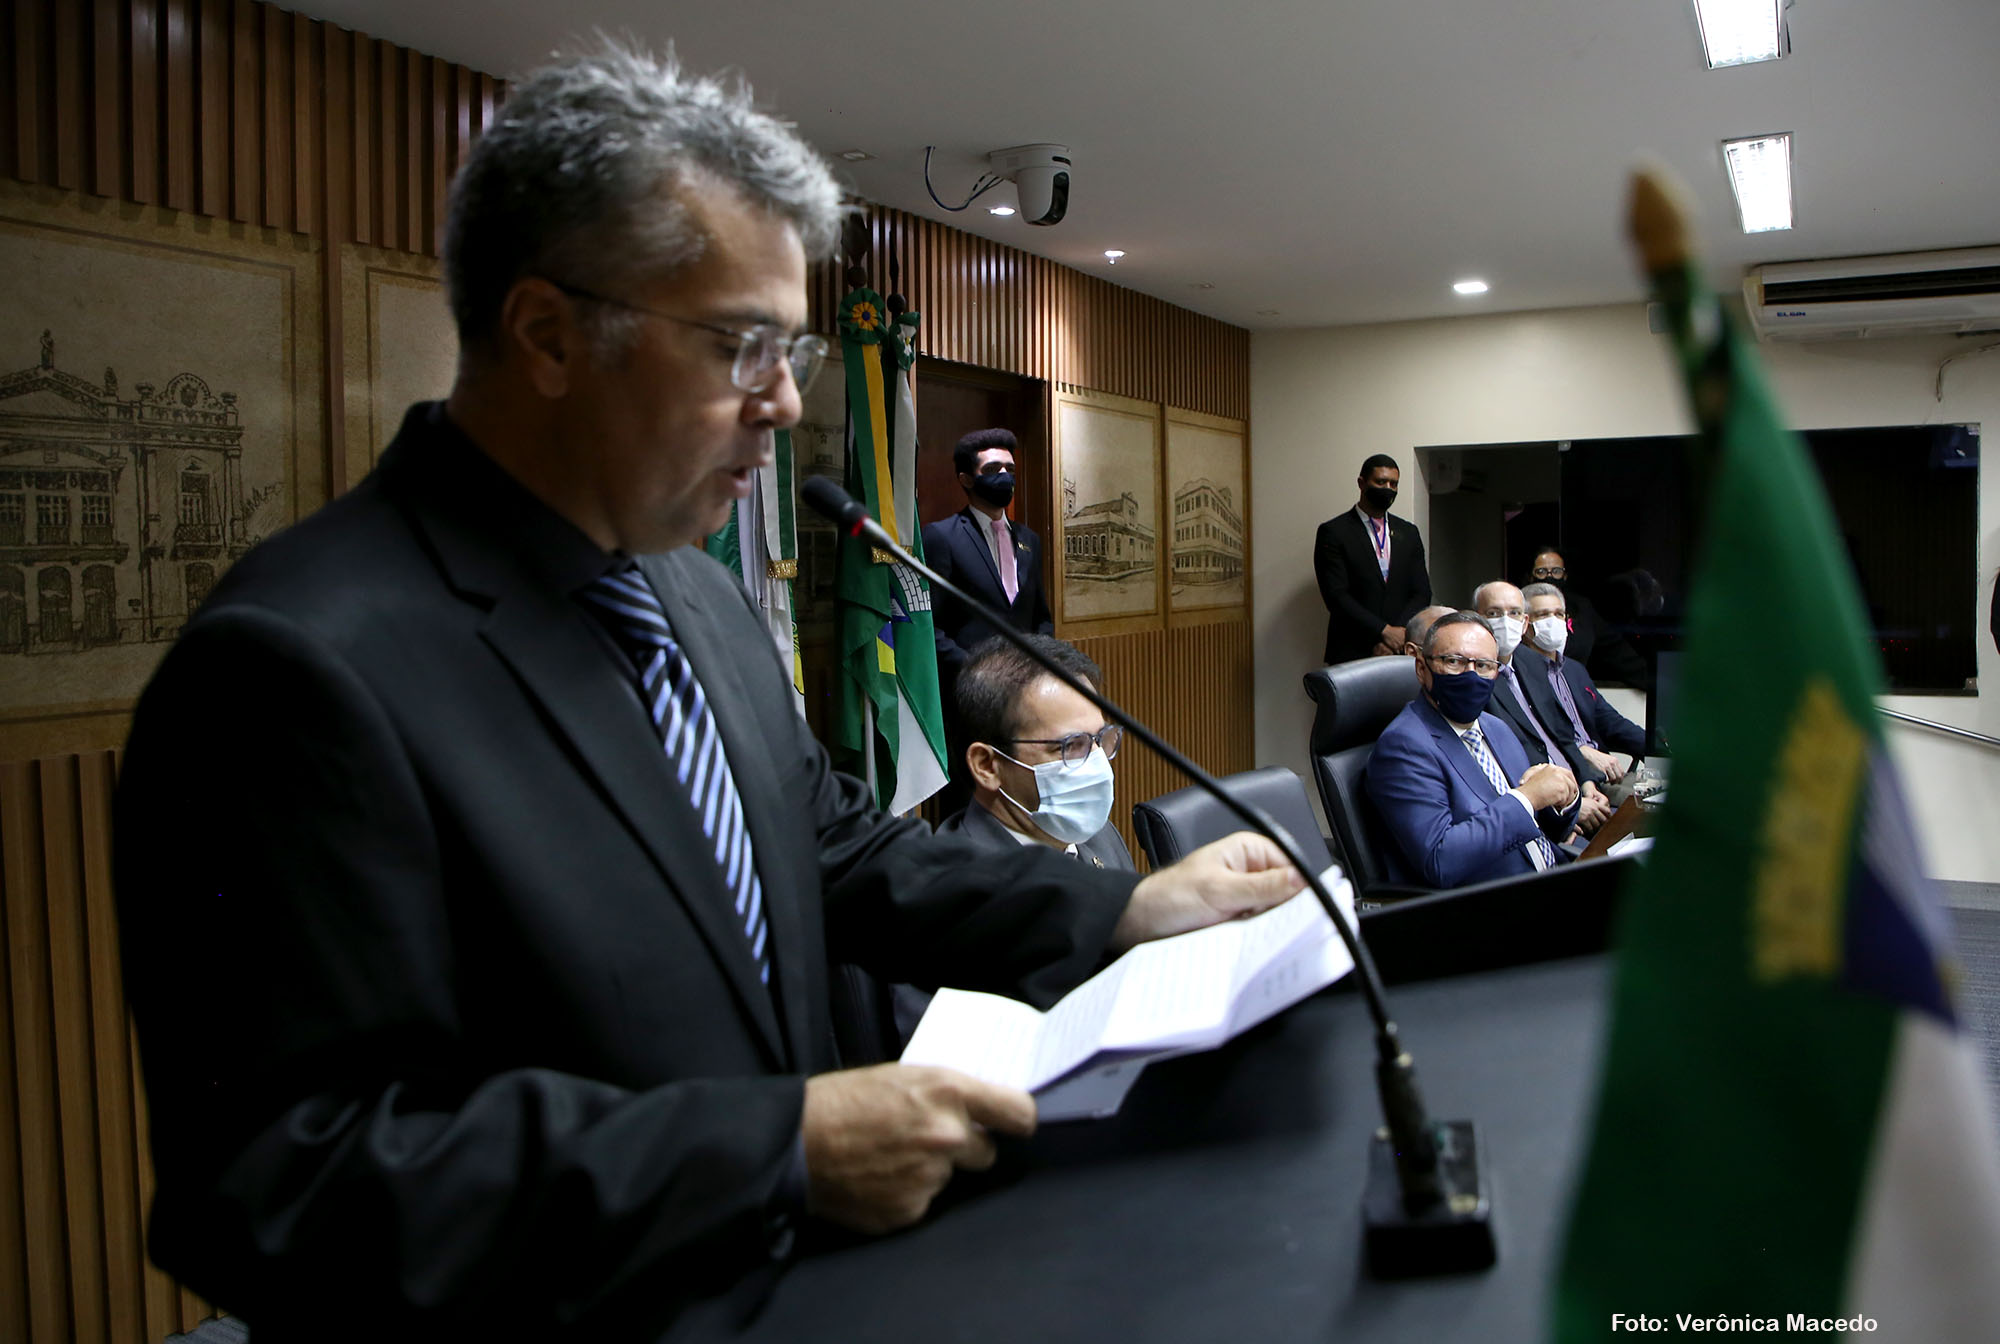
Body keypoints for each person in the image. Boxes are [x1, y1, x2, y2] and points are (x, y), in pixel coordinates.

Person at [110, 44, 1302, 1340]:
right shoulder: (292, 667)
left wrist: (1123, 907)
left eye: (792, 350)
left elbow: (832, 850)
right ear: (548, 335)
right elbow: (283, 1181)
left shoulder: (690, 590)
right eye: (742, 347)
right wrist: (771, 1152)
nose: (784, 403)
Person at [1367, 612, 1580, 888]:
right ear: (1421, 668)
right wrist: (1528, 797)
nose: (1471, 675)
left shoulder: (1495, 727)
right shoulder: (1404, 746)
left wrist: (1563, 798)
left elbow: (1538, 824)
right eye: (1453, 662)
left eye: (1483, 665)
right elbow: (1441, 860)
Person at [937, 634, 1135, 872]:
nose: (1097, 761)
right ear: (986, 766)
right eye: (1071, 746)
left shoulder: (1100, 838)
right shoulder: (960, 879)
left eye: (1101, 738)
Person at [1473, 580, 1612, 836]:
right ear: (1477, 619)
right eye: (1494, 613)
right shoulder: (1475, 677)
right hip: (1545, 811)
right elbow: (1502, 763)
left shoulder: (1533, 662)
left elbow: (1563, 736)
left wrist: (1587, 783)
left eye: (1514, 613)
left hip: (1579, 791)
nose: (1505, 621)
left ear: (1524, 622)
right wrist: (1568, 810)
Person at [923, 427, 1055, 696]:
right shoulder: (942, 537)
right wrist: (977, 671)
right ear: (967, 479)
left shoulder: (1029, 540)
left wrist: (1039, 663)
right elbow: (930, 625)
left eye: (1010, 469)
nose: (1005, 476)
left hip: (1026, 687)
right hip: (970, 689)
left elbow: (1040, 616)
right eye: (993, 469)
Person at [1518, 581, 1649, 805]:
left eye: (1559, 614)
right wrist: (1582, 751)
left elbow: (1612, 722)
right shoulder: (1518, 674)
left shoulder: (1574, 670)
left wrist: (1662, 747)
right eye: (1543, 615)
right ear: (1525, 624)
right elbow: (1537, 737)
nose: (1553, 620)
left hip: (1605, 775)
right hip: (1571, 778)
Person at [1314, 453, 1433, 664]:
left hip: (1400, 649)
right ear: (1362, 483)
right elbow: (1336, 596)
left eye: (1393, 484)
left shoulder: (1408, 532)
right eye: (1380, 482)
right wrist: (1383, 631)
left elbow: (1422, 592)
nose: (1388, 488)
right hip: (1352, 649)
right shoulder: (1334, 532)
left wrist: (1398, 634)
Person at [1524, 545, 1651, 691]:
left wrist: (1658, 683)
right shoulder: (1518, 609)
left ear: (1565, 575)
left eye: (1556, 571)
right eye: (1541, 571)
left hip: (1573, 691)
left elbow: (1616, 651)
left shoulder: (1582, 609)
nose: (1550, 576)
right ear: (1531, 576)